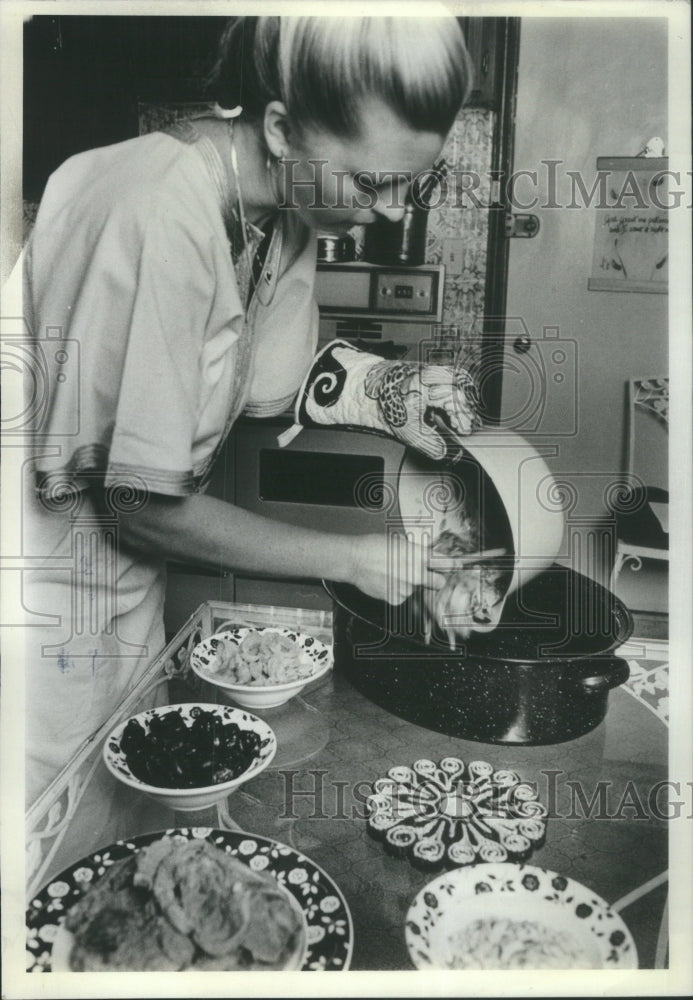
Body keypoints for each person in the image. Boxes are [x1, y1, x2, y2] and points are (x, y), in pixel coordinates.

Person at [22, 15, 477, 836]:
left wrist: (385, 387)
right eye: (372, 183)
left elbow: (253, 378)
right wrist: (354, 560)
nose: (391, 211)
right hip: (35, 603)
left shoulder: (285, 210)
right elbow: (140, 503)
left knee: (137, 837)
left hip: (128, 594)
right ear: (278, 126)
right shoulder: (155, 205)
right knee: (49, 857)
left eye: (413, 183)